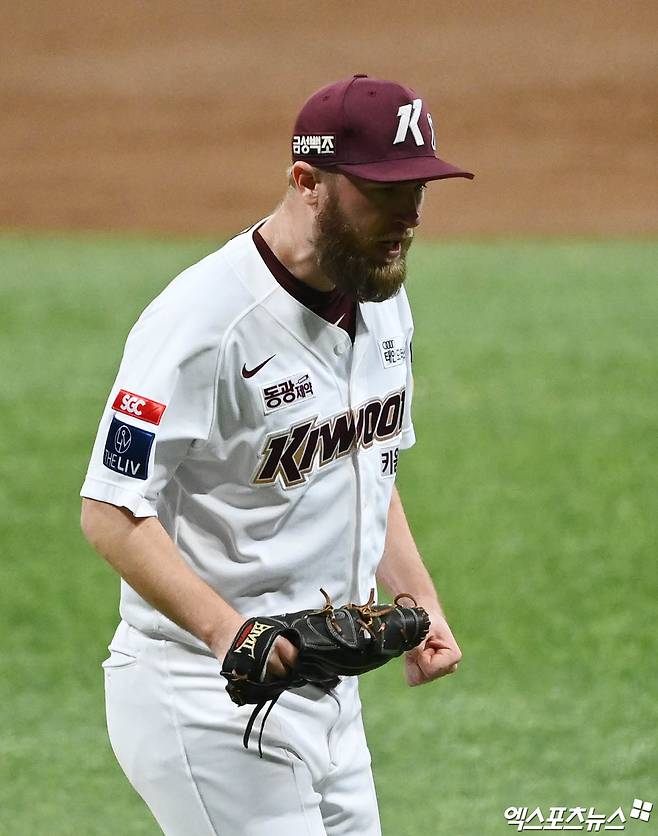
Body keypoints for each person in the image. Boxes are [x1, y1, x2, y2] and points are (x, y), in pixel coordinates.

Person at [80, 73, 473, 836]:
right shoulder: (201, 324)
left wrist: (418, 603)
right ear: (308, 183)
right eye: (382, 192)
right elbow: (109, 507)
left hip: (329, 695)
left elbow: (367, 464)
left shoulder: (383, 292)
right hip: (208, 696)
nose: (409, 217)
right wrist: (236, 635)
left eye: (417, 189)